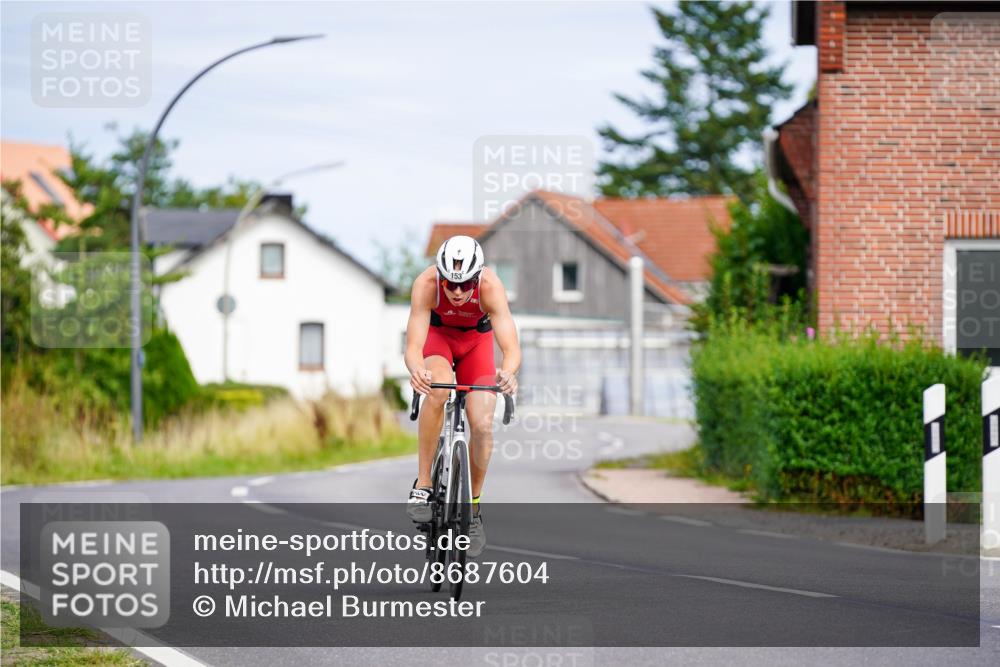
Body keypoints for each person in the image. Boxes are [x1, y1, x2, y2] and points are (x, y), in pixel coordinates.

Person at [403, 235, 520, 557]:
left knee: (482, 424)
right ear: (439, 276)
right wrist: (417, 371)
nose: (457, 292)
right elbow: (414, 344)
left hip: (476, 345)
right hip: (438, 341)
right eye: (450, 284)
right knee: (437, 390)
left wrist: (508, 373)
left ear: (477, 276)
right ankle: (424, 484)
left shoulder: (491, 286)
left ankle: (474, 511)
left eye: (465, 284)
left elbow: (510, 348)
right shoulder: (426, 283)